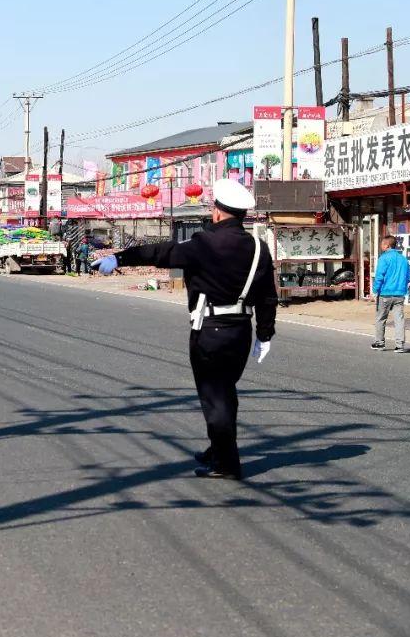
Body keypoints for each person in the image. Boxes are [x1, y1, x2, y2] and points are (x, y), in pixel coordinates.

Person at [93, 179, 277, 479]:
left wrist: (119, 258)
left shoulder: (204, 243)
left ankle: (226, 464)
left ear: (217, 212)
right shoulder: (259, 247)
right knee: (225, 392)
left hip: (210, 332)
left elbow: (160, 253)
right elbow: (268, 296)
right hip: (242, 331)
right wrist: (265, 333)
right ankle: (218, 448)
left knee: (214, 397)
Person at [371, 235, 410, 352]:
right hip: (399, 294)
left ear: (387, 245)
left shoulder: (383, 258)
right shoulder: (403, 259)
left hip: (385, 293)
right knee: (399, 319)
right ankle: (400, 345)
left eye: (382, 244)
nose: (381, 246)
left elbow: (379, 276)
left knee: (381, 318)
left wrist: (374, 291)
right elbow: (408, 277)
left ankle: (379, 343)